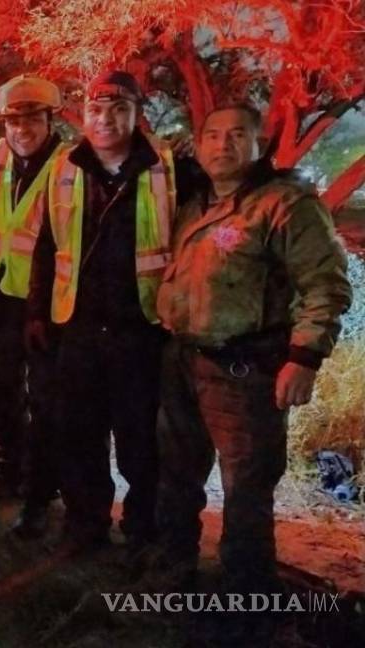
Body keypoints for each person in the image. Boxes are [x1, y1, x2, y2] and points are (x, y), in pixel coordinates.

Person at [152, 104, 351, 593]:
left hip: (244, 372)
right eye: (213, 136)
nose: (223, 145)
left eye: (237, 135)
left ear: (257, 143)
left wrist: (304, 358)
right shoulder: (191, 202)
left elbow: (325, 286)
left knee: (246, 492)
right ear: (198, 146)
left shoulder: (285, 204)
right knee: (176, 477)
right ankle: (174, 571)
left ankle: (244, 597)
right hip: (182, 360)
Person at [26, 71, 186, 553]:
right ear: (84, 115)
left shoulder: (169, 168)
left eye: (119, 110)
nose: (106, 119)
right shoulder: (64, 168)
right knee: (80, 435)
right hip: (76, 327)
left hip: (141, 328)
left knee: (141, 439)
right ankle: (86, 523)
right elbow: (46, 244)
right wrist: (37, 311)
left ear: (138, 115)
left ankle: (141, 529)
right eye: (96, 110)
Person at [0, 75, 65, 539]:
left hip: (50, 301)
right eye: (14, 119)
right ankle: (10, 474)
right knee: (1, 393)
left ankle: (40, 494)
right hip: (1, 294)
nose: (22, 127)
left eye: (32, 117)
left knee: (48, 404)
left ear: (50, 119)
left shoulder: (72, 164)